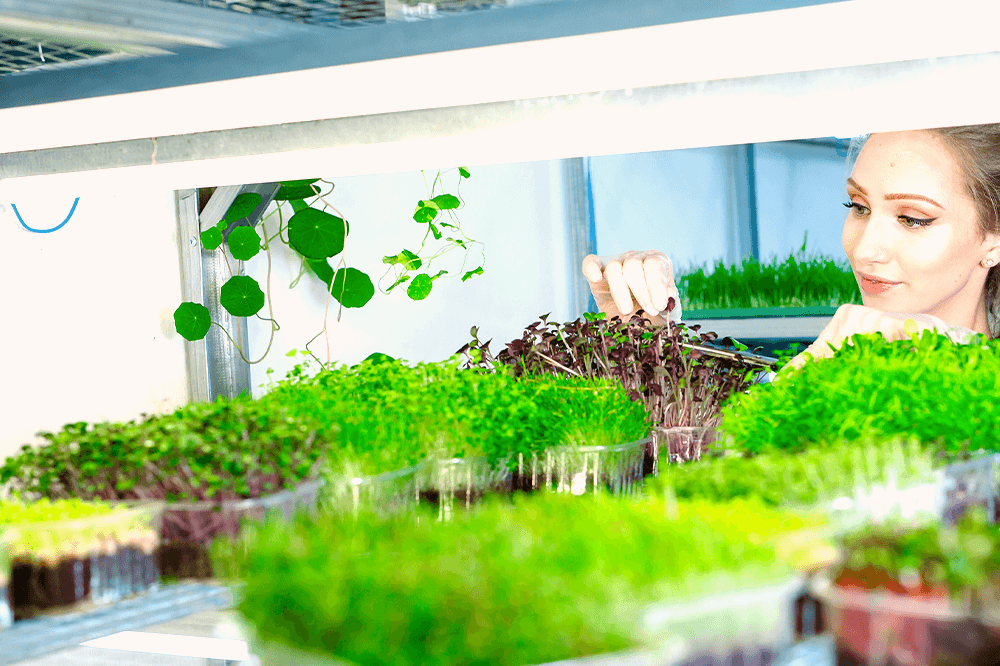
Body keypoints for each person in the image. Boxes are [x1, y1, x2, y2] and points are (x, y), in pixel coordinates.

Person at [582, 125, 1000, 367]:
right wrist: (645, 337)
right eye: (858, 207)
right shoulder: (826, 371)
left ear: (993, 237)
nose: (866, 250)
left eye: (913, 219)